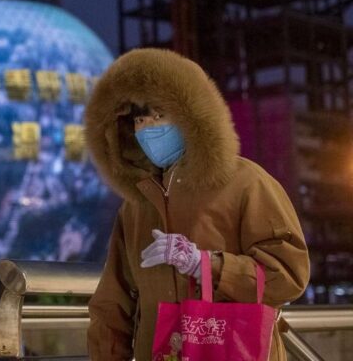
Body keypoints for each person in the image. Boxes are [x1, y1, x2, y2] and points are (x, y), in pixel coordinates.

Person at [84, 48, 310, 361]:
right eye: (139, 119)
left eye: (160, 115)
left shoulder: (246, 182)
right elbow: (113, 304)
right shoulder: (137, 206)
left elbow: (287, 278)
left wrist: (206, 265)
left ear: (191, 117)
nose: (148, 128)